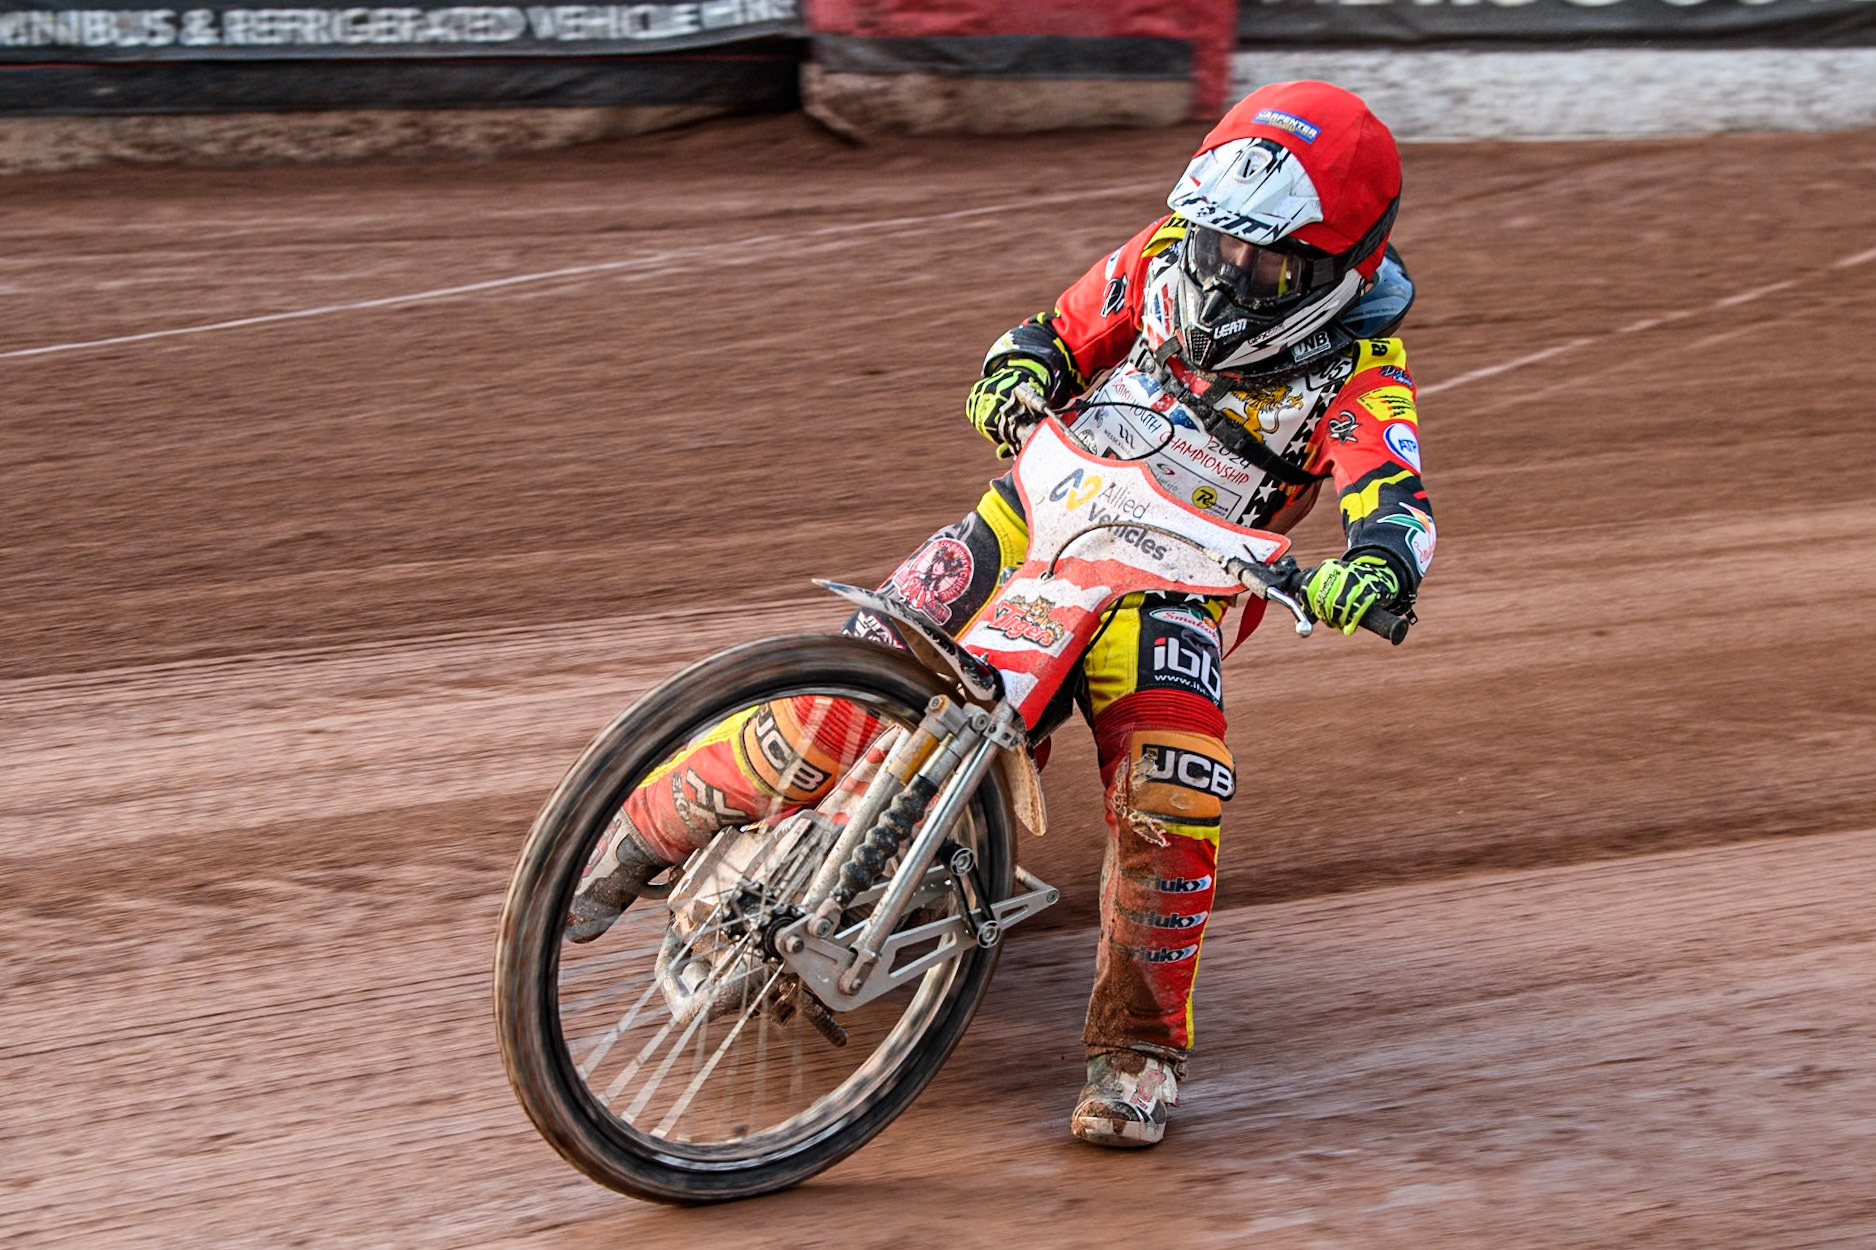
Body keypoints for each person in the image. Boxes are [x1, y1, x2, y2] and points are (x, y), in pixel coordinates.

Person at [568, 79, 1435, 1149]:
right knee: (847, 687)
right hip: (1030, 515)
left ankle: (1137, 1048)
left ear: (1338, 272)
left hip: (1169, 589)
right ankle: (630, 834)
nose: (1223, 274)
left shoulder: (1362, 378)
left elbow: (1394, 501)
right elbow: (1049, 333)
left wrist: (1376, 566)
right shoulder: (1161, 258)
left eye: (1262, 263)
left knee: (1172, 787)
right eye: (1216, 244)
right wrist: (1013, 373)